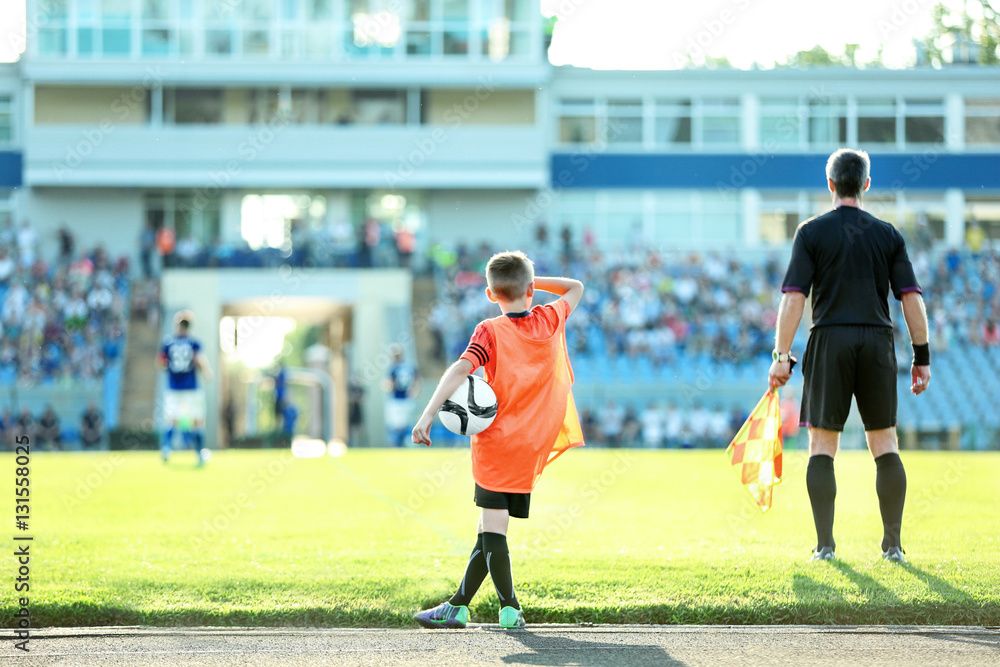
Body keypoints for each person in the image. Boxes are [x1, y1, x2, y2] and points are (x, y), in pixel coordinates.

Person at [769, 148, 931, 564]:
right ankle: (892, 545)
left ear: (830, 185)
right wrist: (922, 356)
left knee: (822, 444)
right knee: (885, 442)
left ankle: (825, 547)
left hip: (829, 338)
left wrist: (781, 356)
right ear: (866, 185)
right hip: (878, 341)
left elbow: (793, 300)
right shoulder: (889, 234)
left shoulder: (810, 232)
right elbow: (911, 298)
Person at [411, 251, 585, 630]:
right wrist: (533, 283)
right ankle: (457, 606)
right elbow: (575, 287)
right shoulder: (550, 318)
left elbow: (460, 369)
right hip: (532, 444)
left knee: (493, 529)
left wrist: (427, 415)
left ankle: (511, 608)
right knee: (486, 529)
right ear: (532, 290)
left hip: (497, 445)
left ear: (491, 295)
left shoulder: (489, 330)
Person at [158, 310, 213, 465]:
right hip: (191, 387)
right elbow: (198, 359)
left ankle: (166, 449)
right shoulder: (193, 343)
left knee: (171, 420)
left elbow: (161, 363)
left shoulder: (168, 343)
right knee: (197, 421)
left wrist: (170, 367)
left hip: (174, 386)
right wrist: (207, 372)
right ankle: (200, 453)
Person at [383, 347, 421, 447]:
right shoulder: (410, 366)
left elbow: (390, 385)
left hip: (396, 399)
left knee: (394, 426)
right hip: (408, 399)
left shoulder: (393, 368)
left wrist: (385, 386)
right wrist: (415, 392)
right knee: (405, 425)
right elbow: (418, 381)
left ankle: (398, 445)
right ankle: (409, 444)